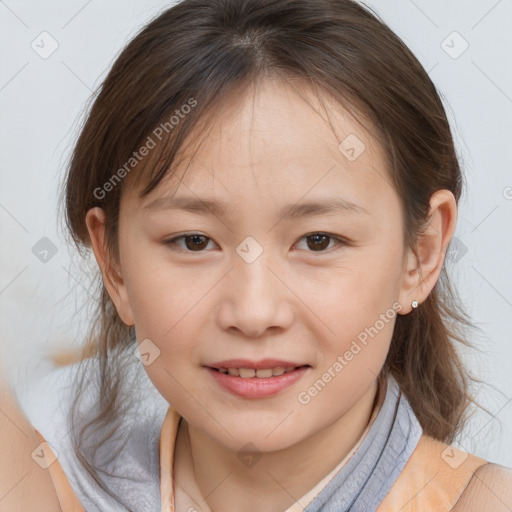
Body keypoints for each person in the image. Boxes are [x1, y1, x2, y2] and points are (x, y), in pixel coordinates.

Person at [2, 0, 511, 510]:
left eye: (318, 241)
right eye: (194, 241)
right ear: (113, 263)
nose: (253, 312)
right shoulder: (45, 480)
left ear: (418, 256)